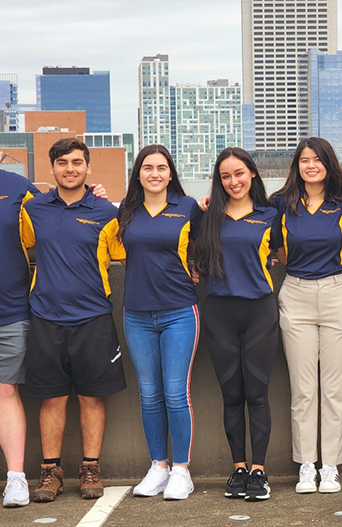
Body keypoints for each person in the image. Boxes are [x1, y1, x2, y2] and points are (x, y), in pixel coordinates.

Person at [0, 115, 106, 507]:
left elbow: (59, 206)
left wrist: (95, 193)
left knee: (6, 389)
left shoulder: (18, 188)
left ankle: (15, 477)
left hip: (11, 309)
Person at [19, 139, 127, 502]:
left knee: (92, 397)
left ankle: (90, 468)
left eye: (77, 162)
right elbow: (22, 244)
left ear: (88, 167)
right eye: (62, 162)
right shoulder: (33, 210)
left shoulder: (105, 212)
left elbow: (127, 252)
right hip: (45, 316)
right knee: (51, 399)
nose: (70, 169)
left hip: (94, 316)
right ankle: (50, 472)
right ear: (52, 169)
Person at [109, 144, 202, 500]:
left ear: (171, 173)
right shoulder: (126, 211)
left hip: (179, 310)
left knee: (176, 393)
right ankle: (158, 466)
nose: (155, 174)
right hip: (137, 313)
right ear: (138, 174)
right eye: (148, 168)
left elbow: (212, 239)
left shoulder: (188, 207)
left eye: (162, 168)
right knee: (149, 394)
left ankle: (182, 470)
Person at [270, 137, 342, 494]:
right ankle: (307, 464)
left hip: (337, 293)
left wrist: (338, 247)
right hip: (296, 294)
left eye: (317, 160)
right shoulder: (281, 203)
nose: (310, 165)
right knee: (303, 390)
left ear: (328, 164)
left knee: (335, 389)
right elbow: (277, 249)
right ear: (297, 166)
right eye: (304, 160)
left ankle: (330, 466)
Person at [193, 148, 279, 501]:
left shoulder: (271, 214)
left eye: (240, 173)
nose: (234, 181)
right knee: (231, 394)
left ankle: (259, 471)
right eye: (226, 176)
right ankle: (239, 468)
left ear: (253, 174)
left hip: (260, 311)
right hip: (219, 313)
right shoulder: (206, 216)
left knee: (256, 393)